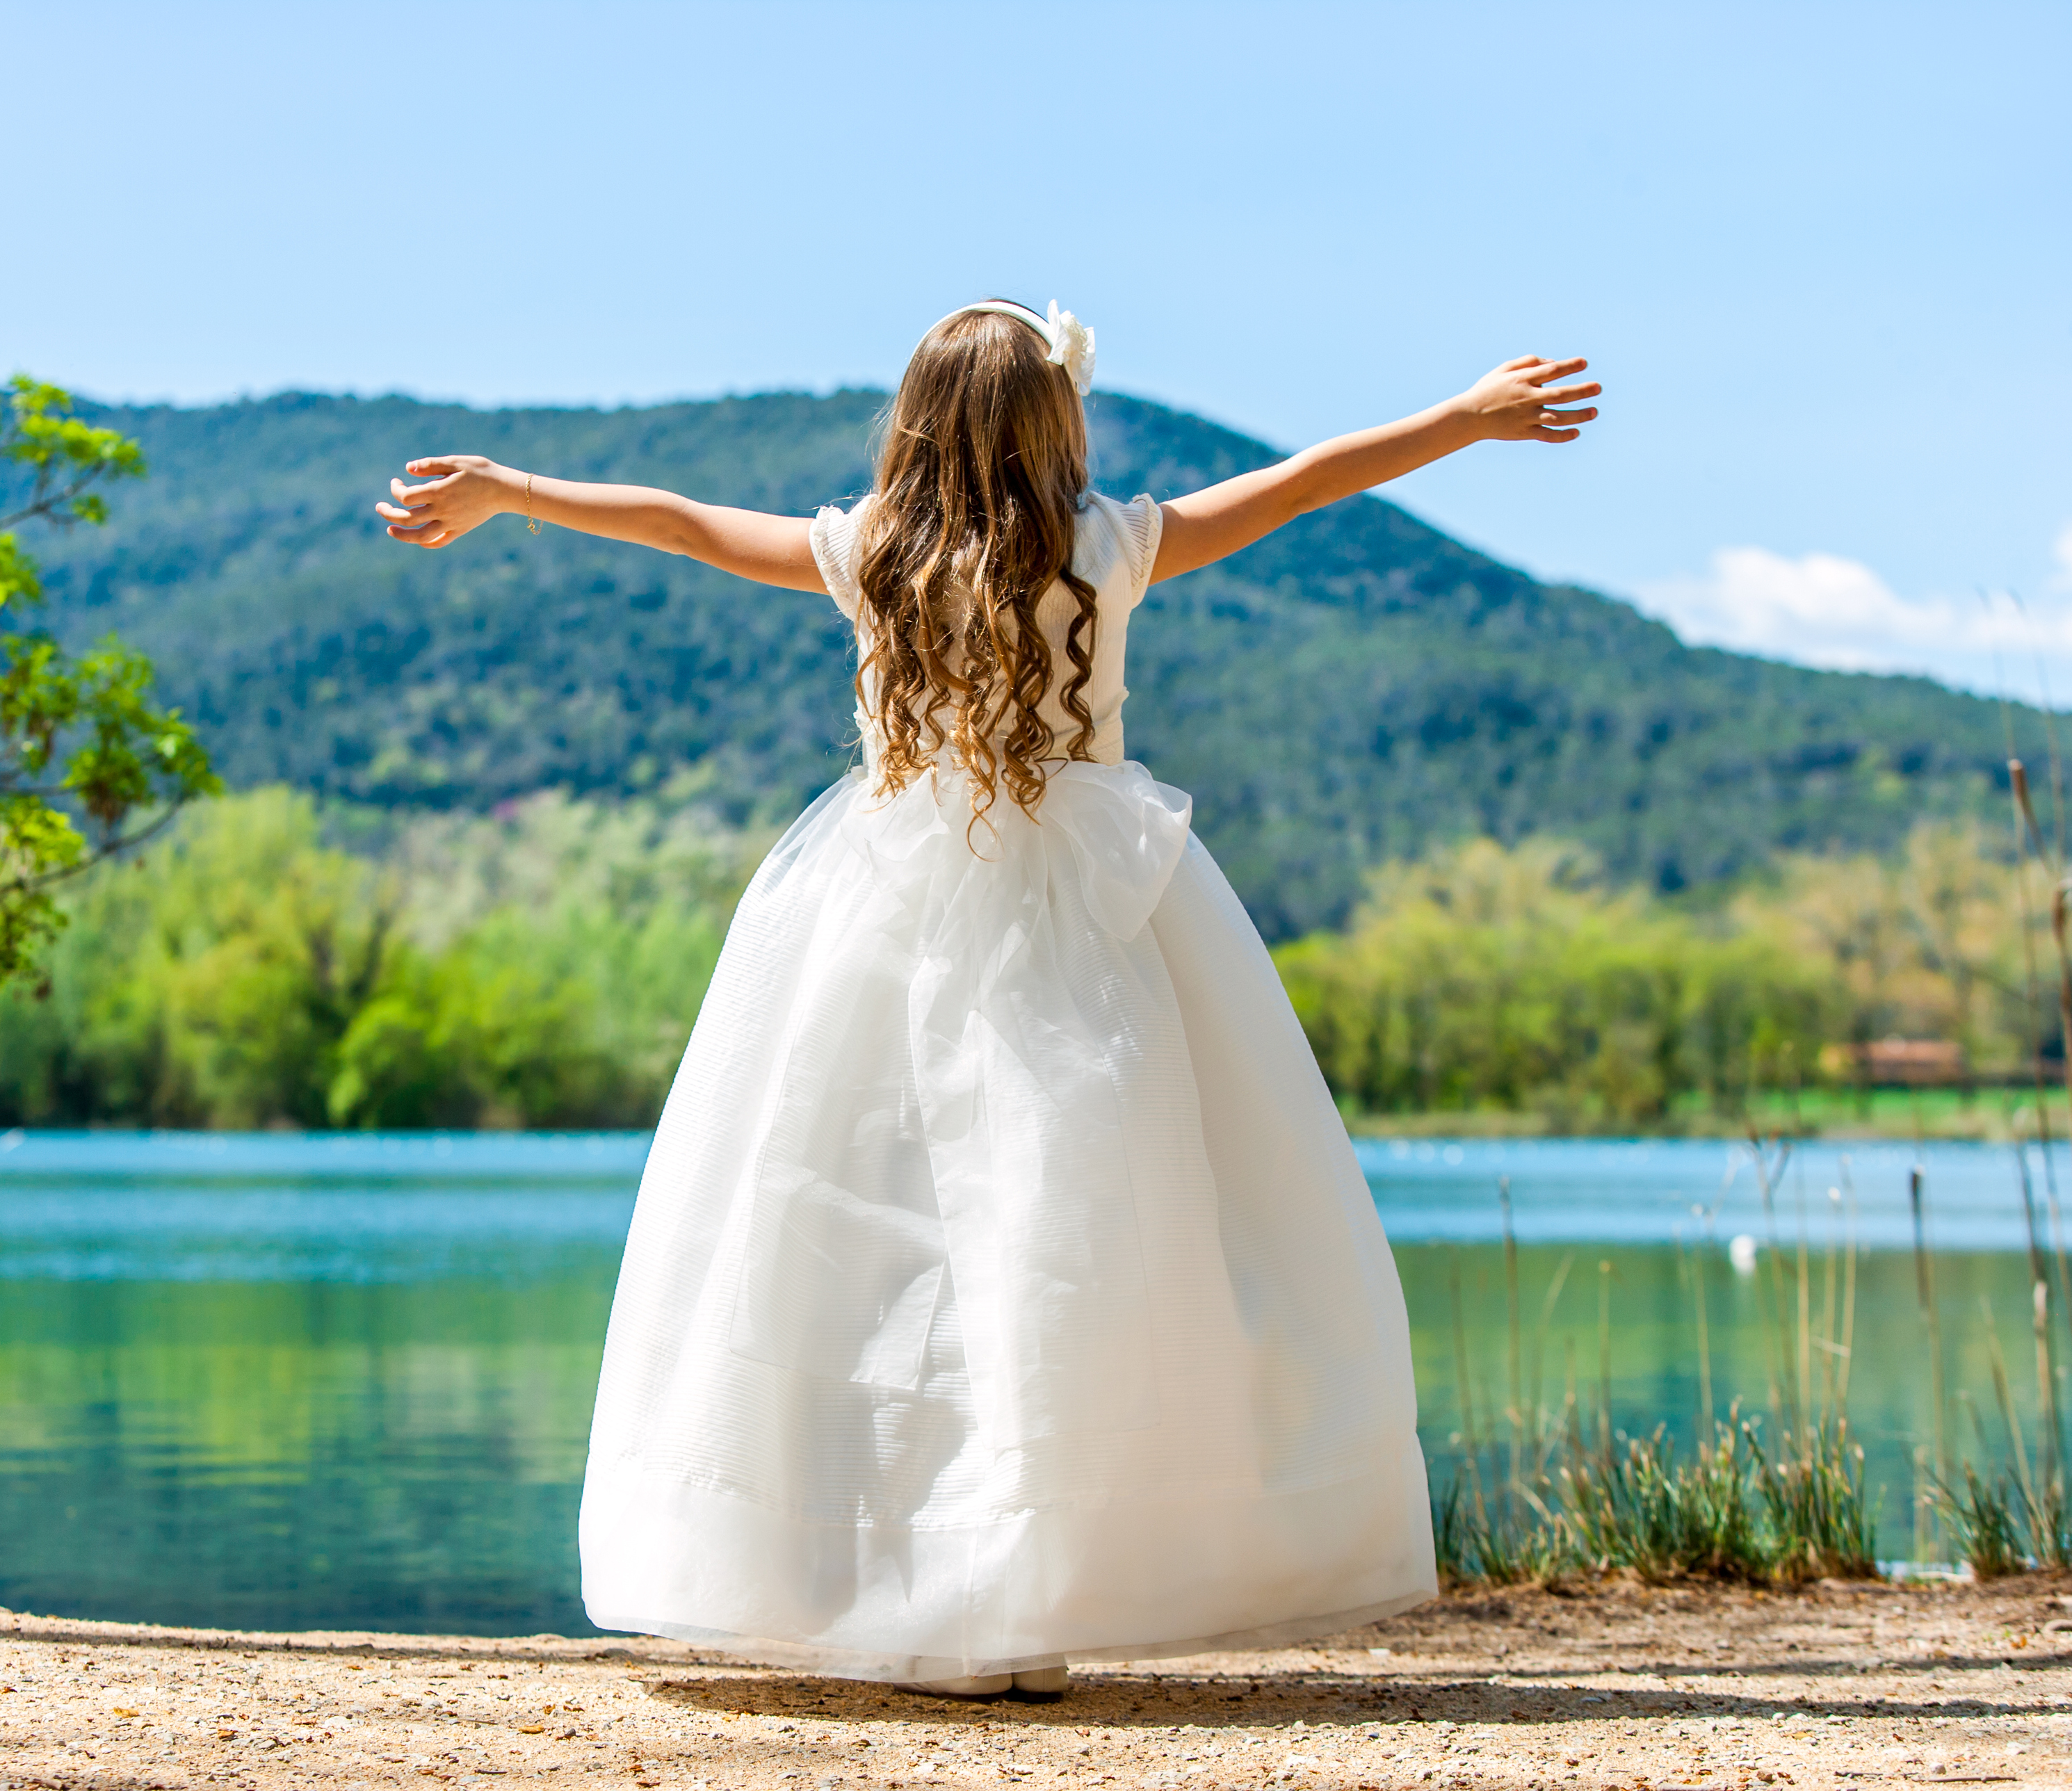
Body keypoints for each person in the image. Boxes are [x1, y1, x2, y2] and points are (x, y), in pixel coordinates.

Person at [376, 302, 1601, 1700]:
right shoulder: (1109, 547)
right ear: (1057, 426)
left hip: (884, 925)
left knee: (880, 1271)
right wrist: (1464, 416)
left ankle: (941, 1599)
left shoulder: (868, 558)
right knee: (1060, 1261)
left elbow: (680, 524)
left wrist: (507, 492)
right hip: (1089, 934)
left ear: (916, 421)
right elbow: (1310, 477)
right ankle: (1011, 1597)